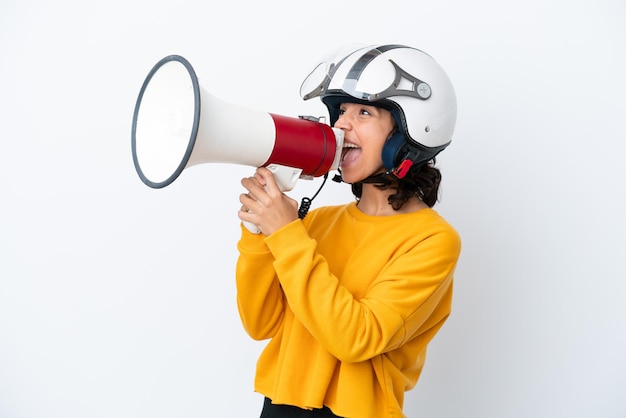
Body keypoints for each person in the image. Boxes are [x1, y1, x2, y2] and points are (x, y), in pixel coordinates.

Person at [235, 44, 461, 418]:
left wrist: (287, 234)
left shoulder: (433, 240)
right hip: (279, 407)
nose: (340, 125)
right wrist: (259, 232)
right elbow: (262, 323)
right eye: (340, 111)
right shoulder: (319, 222)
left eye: (364, 112)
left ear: (407, 133)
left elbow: (356, 338)